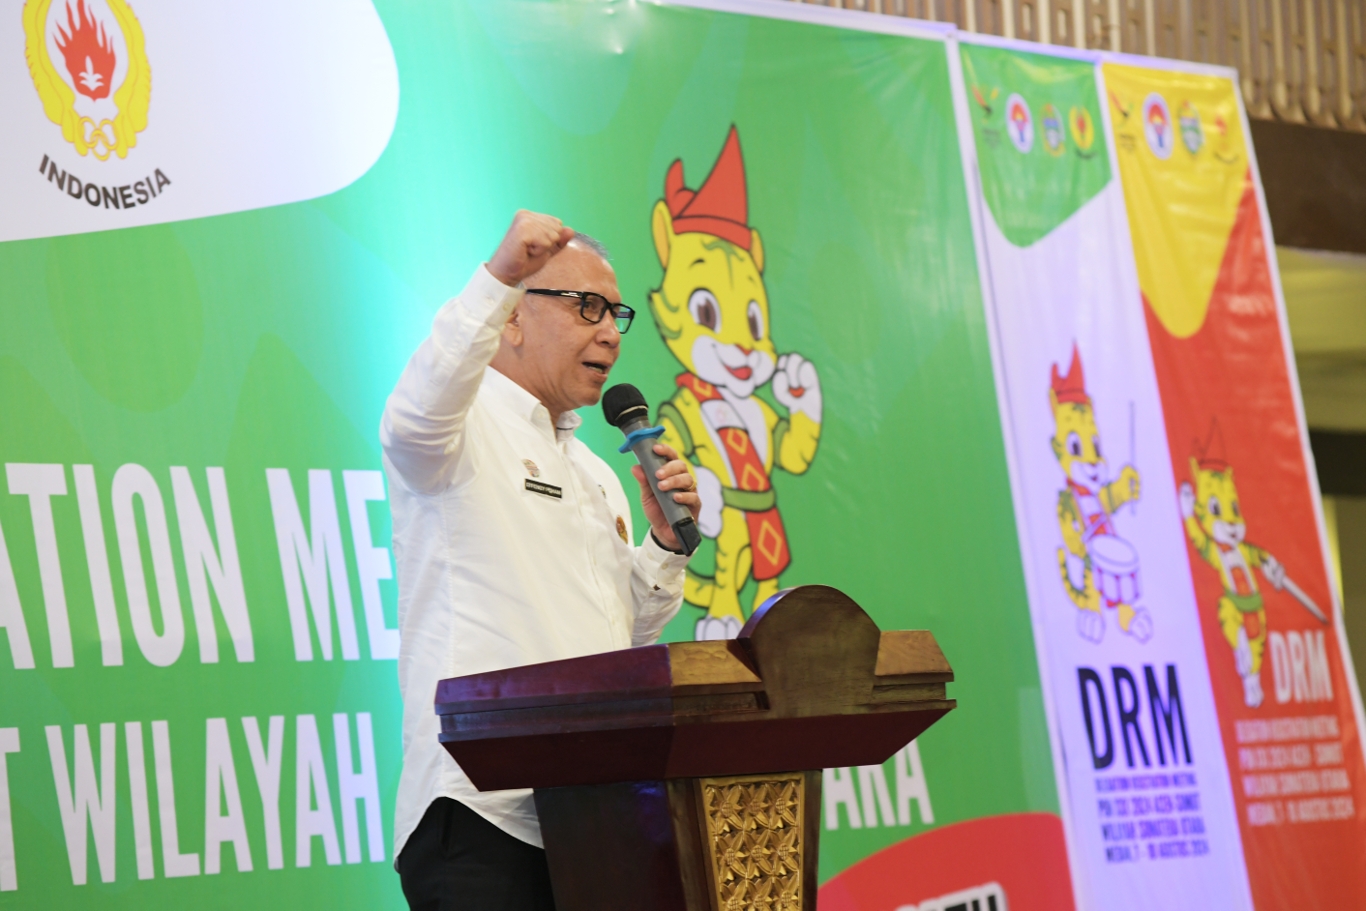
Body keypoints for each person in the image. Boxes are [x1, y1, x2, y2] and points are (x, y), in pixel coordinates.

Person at [381, 210, 701, 910]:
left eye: (615, 313)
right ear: (513, 319)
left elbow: (619, 640)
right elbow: (412, 422)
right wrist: (499, 275)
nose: (610, 332)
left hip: (591, 818)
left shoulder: (596, 470)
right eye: (587, 306)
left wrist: (663, 548)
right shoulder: (460, 430)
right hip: (480, 814)